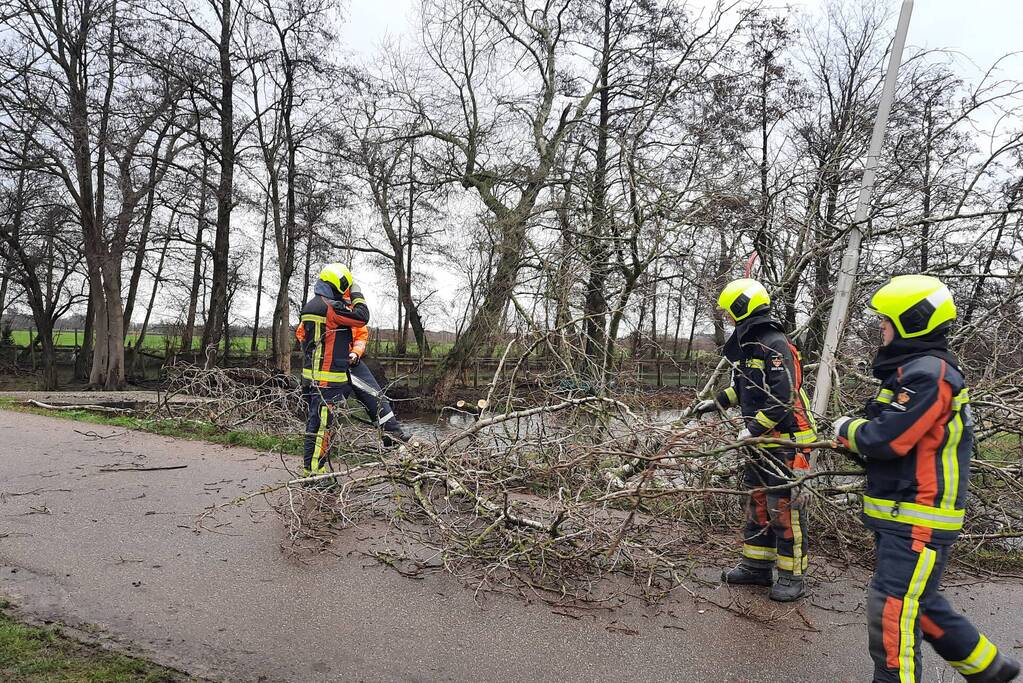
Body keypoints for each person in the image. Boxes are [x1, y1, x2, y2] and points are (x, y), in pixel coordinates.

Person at [833, 274, 1019, 683]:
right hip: (904, 512)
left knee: (893, 606)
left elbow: (886, 438)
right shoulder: (909, 371)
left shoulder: (929, 373)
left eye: (886, 321)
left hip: (919, 515)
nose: (881, 329)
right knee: (921, 603)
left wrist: (844, 428)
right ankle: (989, 669)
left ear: (912, 321)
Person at [694, 278, 817, 602]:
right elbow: (747, 388)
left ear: (741, 307)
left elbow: (782, 397)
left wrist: (753, 429)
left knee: (784, 508)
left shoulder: (776, 344)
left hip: (787, 441)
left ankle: (792, 576)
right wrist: (718, 401)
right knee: (757, 503)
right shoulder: (749, 347)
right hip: (763, 442)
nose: (728, 319)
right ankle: (756, 567)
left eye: (729, 312)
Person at [295, 264, 370, 478]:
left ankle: (313, 470)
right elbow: (362, 316)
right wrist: (356, 291)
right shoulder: (330, 308)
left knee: (315, 425)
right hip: (326, 382)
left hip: (311, 379)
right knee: (321, 429)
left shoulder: (310, 306)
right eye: (345, 286)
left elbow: (300, 336)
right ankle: (314, 474)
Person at [346, 310, 413, 445]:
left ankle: (393, 435)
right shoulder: (320, 306)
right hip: (328, 363)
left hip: (351, 360)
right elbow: (303, 334)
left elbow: (360, 335)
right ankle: (319, 444)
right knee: (326, 403)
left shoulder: (353, 307)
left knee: (375, 395)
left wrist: (355, 352)